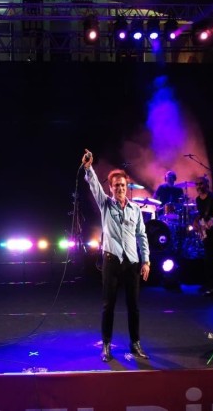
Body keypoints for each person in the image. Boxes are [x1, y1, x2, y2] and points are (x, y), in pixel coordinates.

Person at [81, 149, 151, 362]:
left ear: (126, 187)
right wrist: (88, 168)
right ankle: (106, 345)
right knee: (108, 306)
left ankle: (135, 343)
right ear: (110, 188)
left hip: (132, 264)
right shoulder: (105, 204)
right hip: (111, 262)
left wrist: (146, 261)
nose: (120, 188)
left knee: (134, 306)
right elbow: (94, 186)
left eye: (123, 185)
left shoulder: (135, 210)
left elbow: (142, 236)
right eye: (116, 185)